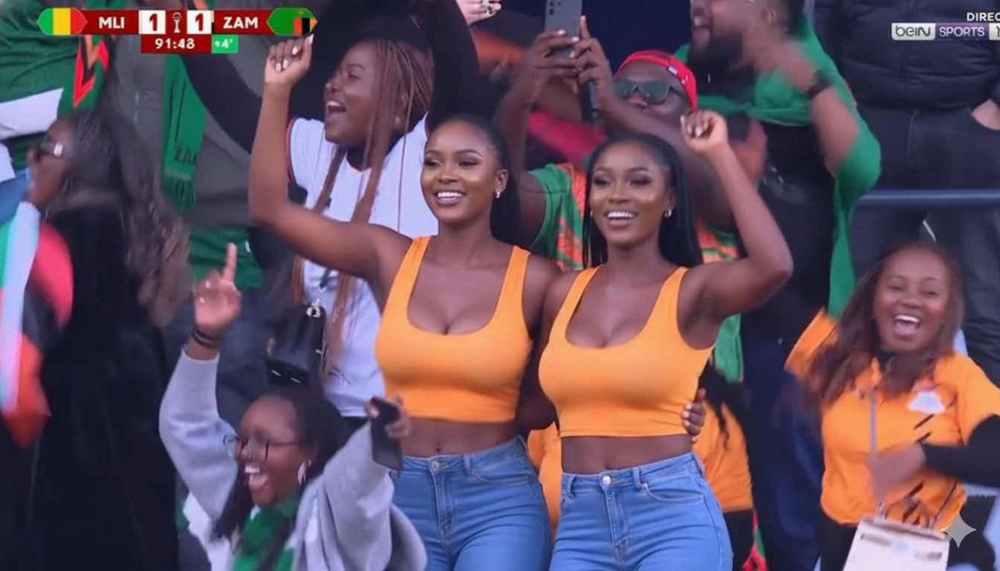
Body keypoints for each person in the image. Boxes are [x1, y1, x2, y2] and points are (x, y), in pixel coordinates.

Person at [250, 27, 563, 566]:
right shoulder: (388, 255)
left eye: (466, 163)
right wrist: (277, 91)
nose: (446, 176)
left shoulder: (538, 279)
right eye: (433, 162)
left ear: (500, 180)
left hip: (497, 496)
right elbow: (270, 210)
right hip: (400, 485)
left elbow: (541, 403)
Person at [179, 0, 484, 429]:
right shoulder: (321, 151)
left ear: (399, 98)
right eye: (335, 74)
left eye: (351, 76)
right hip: (324, 416)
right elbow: (231, 101)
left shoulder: (428, 155)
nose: (331, 86)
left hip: (404, 422)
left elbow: (459, 70)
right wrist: (178, 20)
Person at [534, 111, 792, 569]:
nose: (618, 194)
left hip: (670, 517)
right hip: (581, 521)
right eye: (604, 182)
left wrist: (718, 154)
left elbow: (774, 266)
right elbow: (538, 408)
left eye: (639, 182)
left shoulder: (692, 290)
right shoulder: (562, 292)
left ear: (670, 198)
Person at [679, 0, 881, 565]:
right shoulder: (681, 72)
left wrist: (813, 84)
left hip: (794, 334)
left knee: (791, 508)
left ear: (767, 14)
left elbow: (863, 169)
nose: (698, 6)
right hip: (700, 332)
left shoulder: (807, 79)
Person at [160, 243, 425, 571]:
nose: (246, 453)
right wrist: (206, 336)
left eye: (265, 442)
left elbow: (355, 486)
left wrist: (378, 439)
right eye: (243, 440)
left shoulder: (334, 525)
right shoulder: (239, 497)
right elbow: (187, 425)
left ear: (310, 453)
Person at [16, 106, 187, 570]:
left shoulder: (56, 246)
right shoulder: (136, 242)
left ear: (78, 168)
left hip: (67, 475)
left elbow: (16, 377)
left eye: (45, 149)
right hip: (135, 476)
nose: (32, 159)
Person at [815, 0, 1000, 386]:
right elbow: (825, 25)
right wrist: (837, 97)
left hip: (968, 124)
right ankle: (861, 414)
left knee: (984, 302)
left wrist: (994, 109)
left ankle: (990, 418)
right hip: (873, 125)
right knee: (856, 299)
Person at [785, 242, 1000, 570]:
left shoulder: (959, 375)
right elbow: (767, 285)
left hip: (940, 534)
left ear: (947, 311)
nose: (911, 299)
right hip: (846, 546)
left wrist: (924, 455)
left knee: (976, 552)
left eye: (930, 292)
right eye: (896, 287)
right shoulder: (837, 356)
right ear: (873, 301)